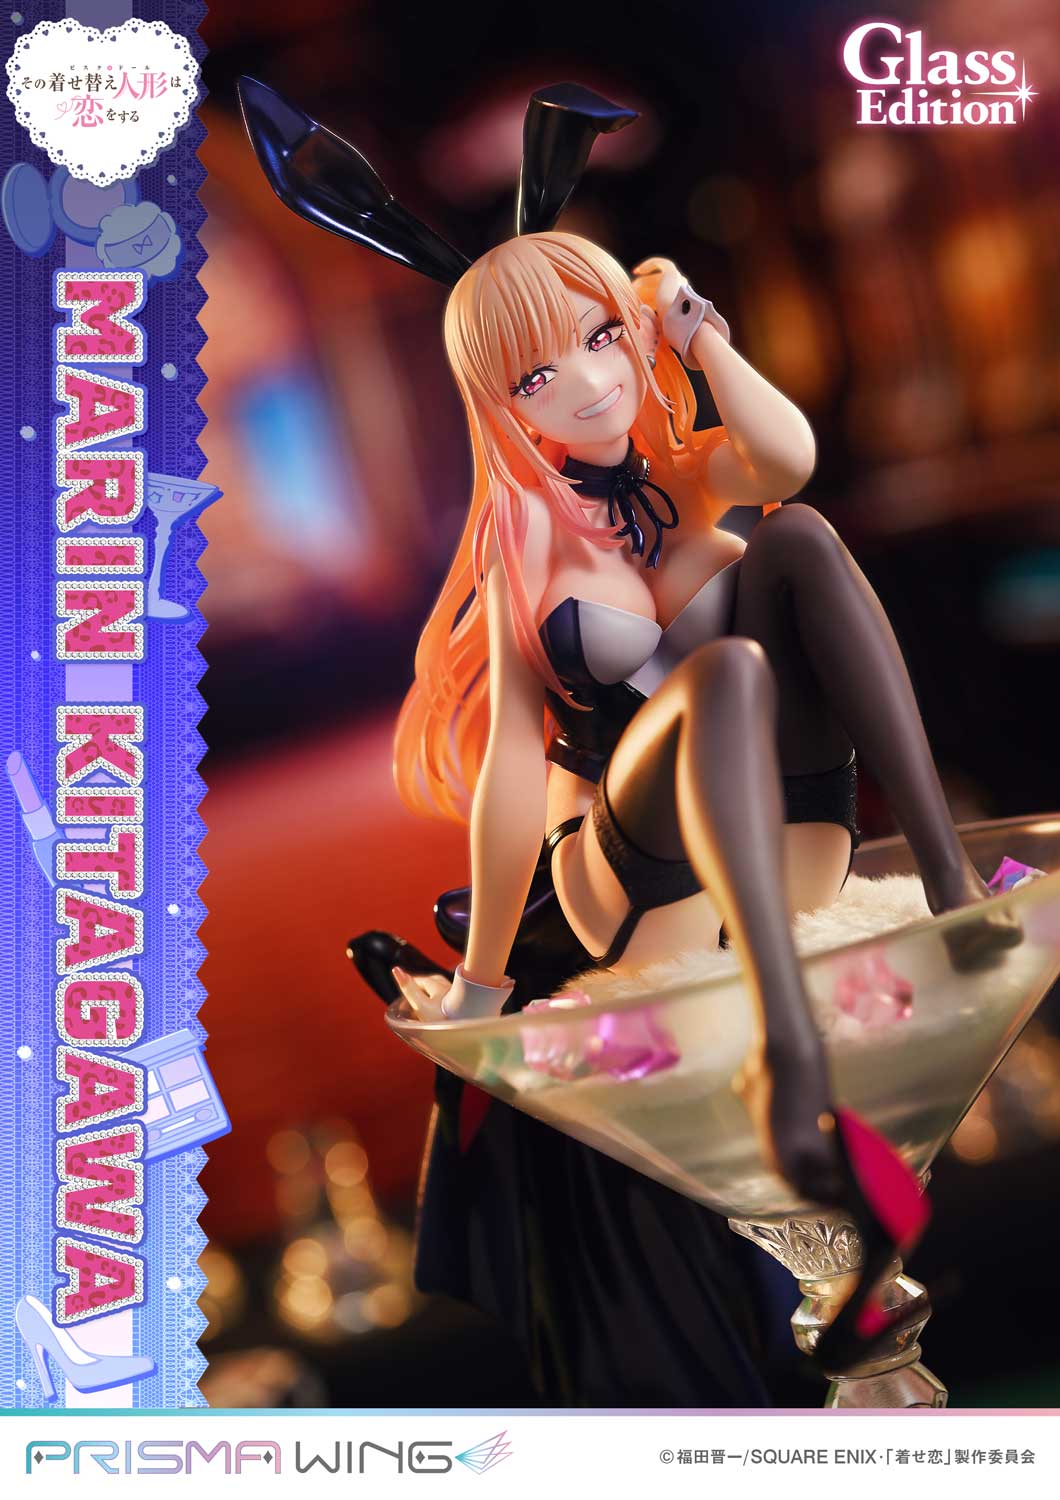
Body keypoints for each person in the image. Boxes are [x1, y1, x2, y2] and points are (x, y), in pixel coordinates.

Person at [240, 77, 1019, 1389]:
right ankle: (789, 1046)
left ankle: (951, 882)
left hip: (786, 833)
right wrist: (485, 976)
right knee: (722, 679)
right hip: (630, 877)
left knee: (802, 544)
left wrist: (704, 342)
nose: (592, 384)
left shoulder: (691, 471)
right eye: (539, 373)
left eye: (603, 338)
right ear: (500, 402)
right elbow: (507, 773)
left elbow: (790, 463)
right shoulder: (526, 559)